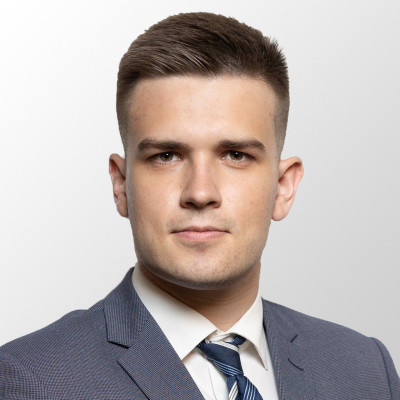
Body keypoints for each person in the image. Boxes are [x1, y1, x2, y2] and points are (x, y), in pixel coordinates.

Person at [0, 11, 398, 400]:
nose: (201, 192)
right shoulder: (31, 381)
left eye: (236, 155)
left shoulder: (366, 370)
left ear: (283, 186)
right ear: (121, 185)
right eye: (167, 156)